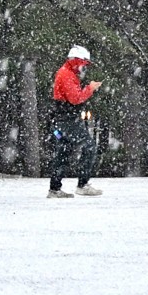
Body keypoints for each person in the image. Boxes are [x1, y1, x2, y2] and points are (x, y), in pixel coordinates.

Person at [48, 45, 103, 198]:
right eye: (84, 64)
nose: (84, 67)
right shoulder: (67, 75)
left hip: (61, 120)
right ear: (77, 61)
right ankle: (82, 185)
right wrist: (90, 88)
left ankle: (54, 189)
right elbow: (75, 98)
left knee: (63, 152)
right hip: (66, 121)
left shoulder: (67, 73)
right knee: (89, 146)